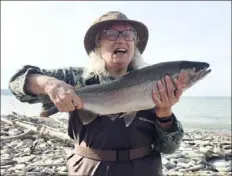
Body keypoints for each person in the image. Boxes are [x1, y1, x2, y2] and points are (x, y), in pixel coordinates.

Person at [8, 11, 184, 176]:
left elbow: (169, 148)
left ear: (134, 44)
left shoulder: (156, 82)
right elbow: (16, 82)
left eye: (128, 34)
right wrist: (49, 84)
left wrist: (165, 114)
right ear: (98, 44)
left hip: (145, 168)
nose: (121, 40)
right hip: (90, 168)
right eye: (112, 34)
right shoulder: (77, 78)